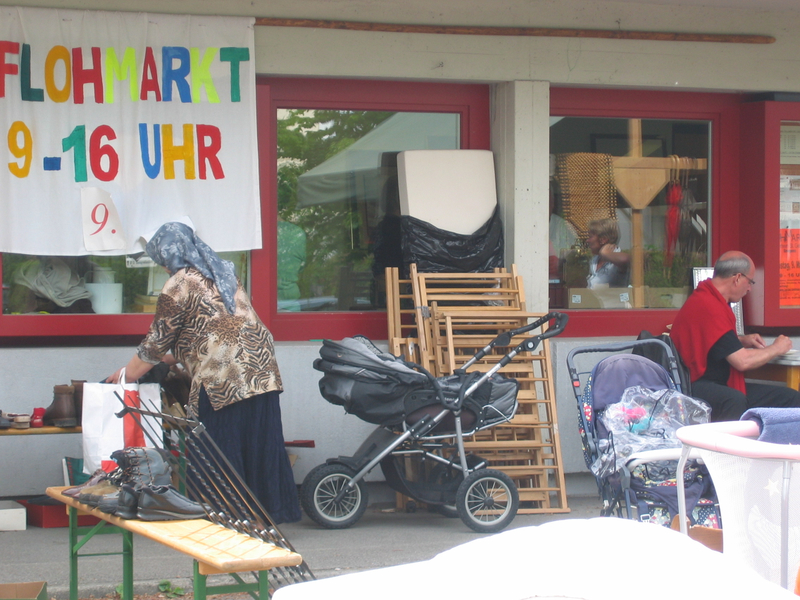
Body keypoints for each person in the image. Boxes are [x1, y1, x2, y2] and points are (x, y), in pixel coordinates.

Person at [107, 222, 301, 523]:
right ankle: (263, 520)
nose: (162, 265)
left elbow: (155, 344)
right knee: (260, 447)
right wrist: (166, 361)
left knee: (218, 455)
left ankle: (225, 520)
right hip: (261, 373)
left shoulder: (180, 282)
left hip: (223, 379)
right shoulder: (221, 272)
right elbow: (208, 332)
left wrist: (126, 375)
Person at [671, 250, 800, 422]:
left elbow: (711, 340)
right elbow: (742, 361)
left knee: (789, 397)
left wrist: (741, 341)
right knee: (735, 399)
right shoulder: (709, 306)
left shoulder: (705, 297)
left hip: (710, 382)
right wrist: (776, 348)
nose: (750, 288)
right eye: (750, 281)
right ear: (738, 278)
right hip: (696, 386)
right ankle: (732, 440)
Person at [585, 218, 630, 289]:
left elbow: (626, 259)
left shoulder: (616, 261)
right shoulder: (595, 260)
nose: (587, 241)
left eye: (590, 237)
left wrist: (605, 253)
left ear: (603, 240)